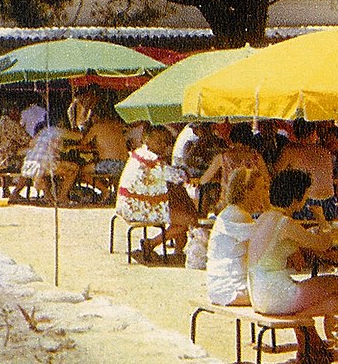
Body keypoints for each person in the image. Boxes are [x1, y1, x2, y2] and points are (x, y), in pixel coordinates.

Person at [248, 169, 338, 364]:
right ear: (296, 198)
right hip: (276, 294)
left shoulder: (264, 218)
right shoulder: (285, 223)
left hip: (259, 293)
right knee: (335, 283)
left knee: (334, 302)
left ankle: (311, 345)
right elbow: (323, 244)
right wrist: (321, 219)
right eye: (305, 195)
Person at [114, 125, 197, 257]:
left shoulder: (140, 153)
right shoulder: (150, 159)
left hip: (129, 203)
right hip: (138, 208)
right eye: (159, 141)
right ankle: (151, 243)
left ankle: (178, 250)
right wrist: (187, 172)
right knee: (190, 220)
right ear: (147, 140)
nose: (163, 145)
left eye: (165, 141)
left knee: (179, 209)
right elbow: (178, 177)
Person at [205, 168, 258, 307]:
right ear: (246, 191)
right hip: (231, 290)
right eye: (261, 188)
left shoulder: (230, 212)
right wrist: (268, 206)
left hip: (218, 287)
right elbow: (264, 245)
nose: (265, 193)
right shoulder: (239, 215)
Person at [274, 118, 338, 220]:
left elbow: (276, 174)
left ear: (294, 132)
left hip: (306, 202)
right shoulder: (324, 151)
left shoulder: (290, 151)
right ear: (313, 132)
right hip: (329, 202)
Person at [199, 124, 270, 215]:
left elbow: (204, 180)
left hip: (228, 206)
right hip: (254, 207)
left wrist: (219, 180)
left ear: (232, 139)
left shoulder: (223, 157)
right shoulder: (256, 157)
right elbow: (267, 179)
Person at [15, 114, 82, 201]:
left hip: (29, 163)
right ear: (60, 122)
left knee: (44, 167)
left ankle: (16, 193)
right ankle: (62, 196)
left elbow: (31, 144)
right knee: (74, 168)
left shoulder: (43, 131)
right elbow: (79, 137)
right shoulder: (58, 131)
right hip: (45, 165)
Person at [79, 108, 130, 195]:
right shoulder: (118, 126)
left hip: (109, 163)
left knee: (81, 171)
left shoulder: (97, 127)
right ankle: (115, 193)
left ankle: (105, 191)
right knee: (114, 175)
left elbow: (83, 143)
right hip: (125, 163)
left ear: (95, 117)